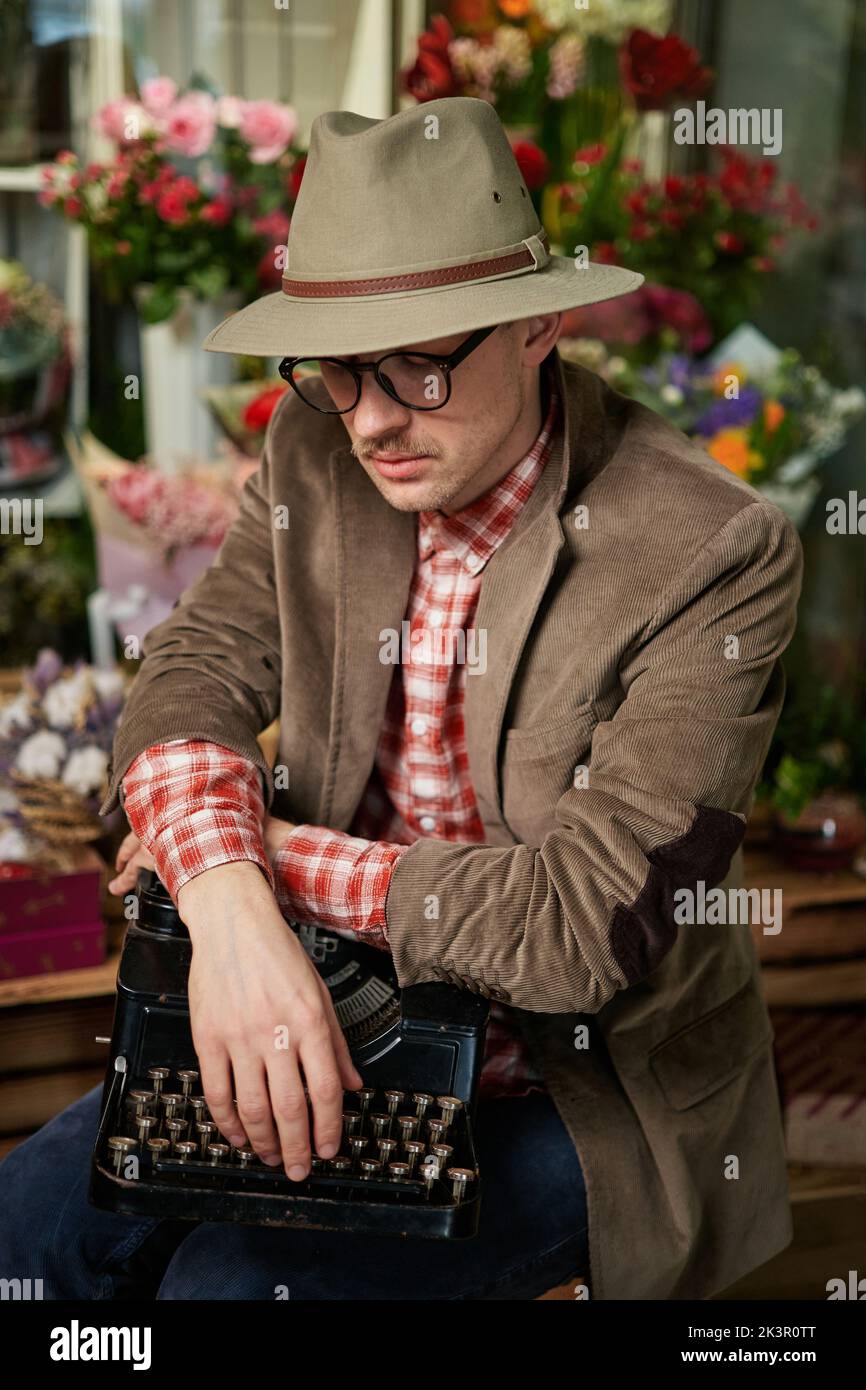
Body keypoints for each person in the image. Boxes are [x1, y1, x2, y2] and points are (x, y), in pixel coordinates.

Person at [0, 97, 802, 1300]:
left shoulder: (712, 546)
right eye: (335, 369)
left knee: (223, 1288)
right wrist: (229, 910)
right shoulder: (310, 453)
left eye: (419, 363)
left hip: (573, 1088)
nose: (369, 418)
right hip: (323, 1010)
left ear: (538, 324)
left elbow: (578, 928)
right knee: (28, 1234)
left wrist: (257, 859)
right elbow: (192, 666)